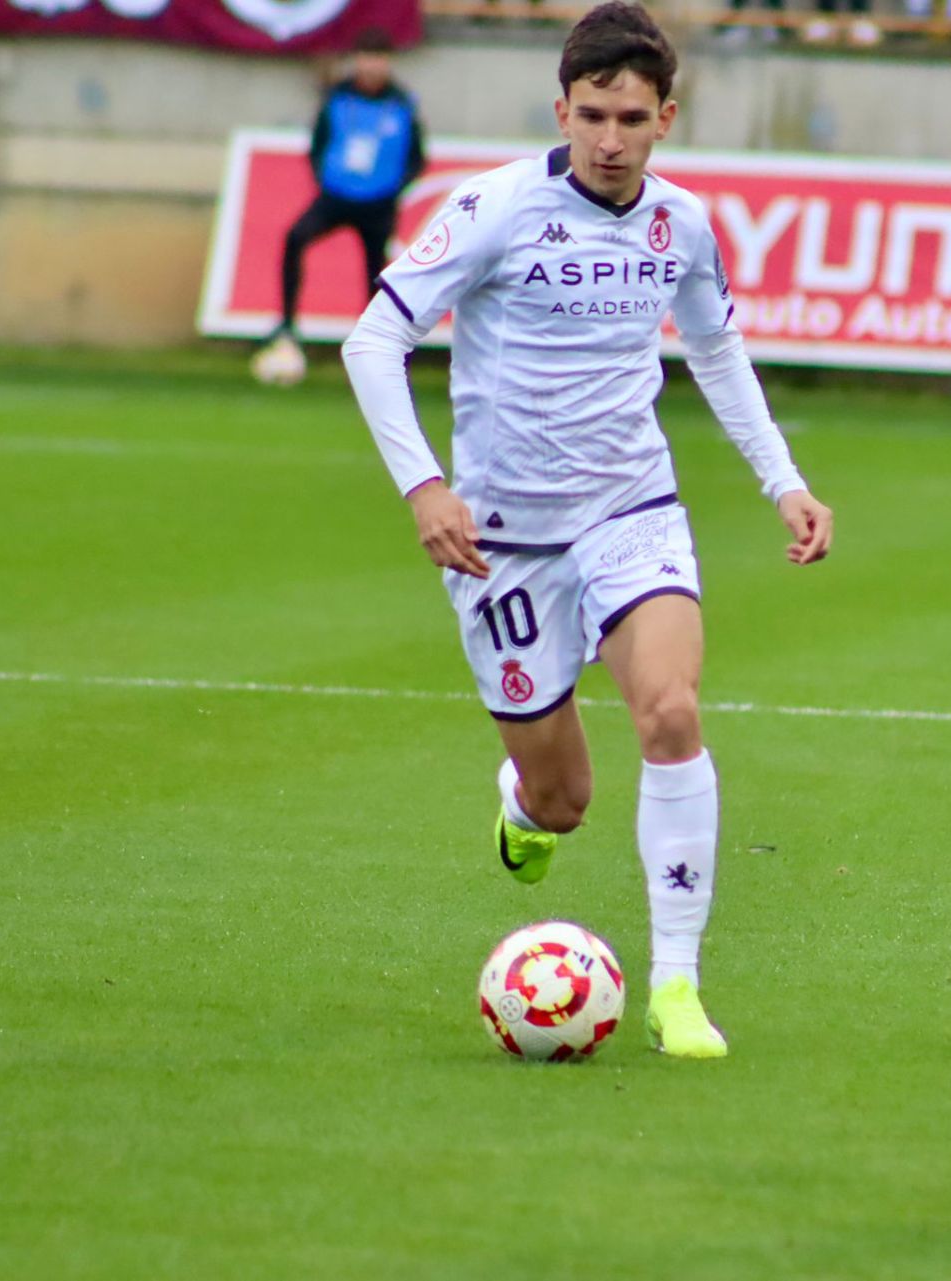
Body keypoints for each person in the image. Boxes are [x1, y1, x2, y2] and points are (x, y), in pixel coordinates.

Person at [341, 3, 833, 1058]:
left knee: (670, 712)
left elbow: (716, 351)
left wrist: (782, 482)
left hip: (630, 508)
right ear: (560, 109)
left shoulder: (683, 225)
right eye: (594, 115)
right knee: (565, 803)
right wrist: (427, 488)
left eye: (633, 118)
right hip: (502, 541)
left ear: (668, 118)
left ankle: (677, 990)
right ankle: (524, 803)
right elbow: (373, 341)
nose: (611, 140)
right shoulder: (493, 209)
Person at [255, 28, 425, 384]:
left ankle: (376, 352)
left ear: (387, 63)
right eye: (365, 56)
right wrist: (325, 177)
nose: (371, 65)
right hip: (335, 197)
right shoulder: (337, 97)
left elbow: (416, 157)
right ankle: (286, 326)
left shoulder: (402, 103)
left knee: (375, 277)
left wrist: (393, 188)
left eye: (378, 58)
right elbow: (318, 142)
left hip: (378, 204)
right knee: (295, 237)